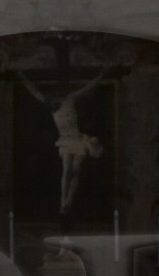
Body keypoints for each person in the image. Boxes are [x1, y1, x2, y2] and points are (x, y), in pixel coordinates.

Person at [17, 66, 108, 213]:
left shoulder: (70, 99)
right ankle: (63, 202)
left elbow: (88, 88)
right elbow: (34, 92)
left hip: (78, 139)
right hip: (65, 141)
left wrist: (102, 74)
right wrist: (23, 77)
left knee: (76, 170)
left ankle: (69, 202)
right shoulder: (51, 105)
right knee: (67, 170)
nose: (53, 104)